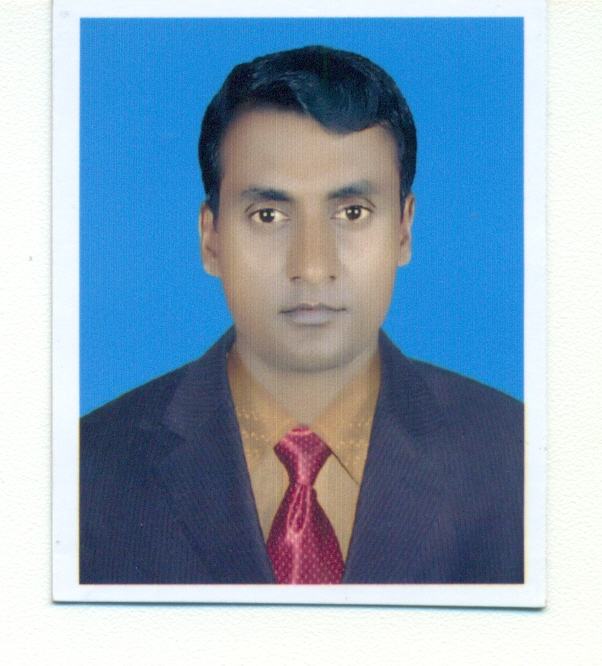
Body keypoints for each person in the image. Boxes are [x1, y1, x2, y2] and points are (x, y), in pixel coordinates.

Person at [80, 46, 523, 585]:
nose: (312, 267)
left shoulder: (516, 457)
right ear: (211, 238)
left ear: (404, 230)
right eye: (268, 215)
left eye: (352, 212)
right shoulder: (85, 471)